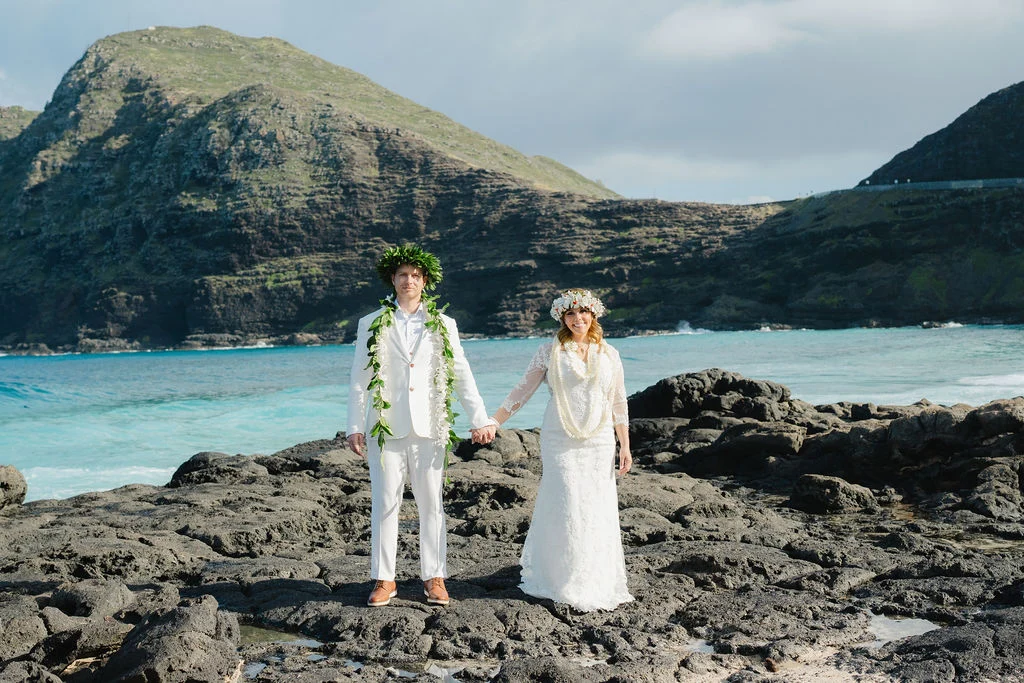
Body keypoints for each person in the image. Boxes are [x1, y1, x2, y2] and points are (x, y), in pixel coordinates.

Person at [347, 245, 496, 608]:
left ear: (424, 281)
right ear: (393, 280)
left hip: (430, 426)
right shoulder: (372, 322)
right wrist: (354, 424)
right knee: (385, 503)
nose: (409, 280)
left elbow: (461, 372)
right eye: (403, 275)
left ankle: (434, 577)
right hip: (385, 426)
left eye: (415, 275)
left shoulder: (444, 324)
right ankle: (385, 579)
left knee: (432, 505)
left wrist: (479, 418)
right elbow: (359, 378)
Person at [490, 288, 634, 612]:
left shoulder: (610, 354)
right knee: (566, 501)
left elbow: (618, 401)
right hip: (559, 439)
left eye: (583, 313)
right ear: (562, 318)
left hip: (599, 441)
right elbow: (522, 391)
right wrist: (493, 421)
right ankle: (562, 579)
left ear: (593, 315)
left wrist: (624, 445)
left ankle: (595, 579)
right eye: (570, 314)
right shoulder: (548, 351)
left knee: (595, 506)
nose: (577, 319)